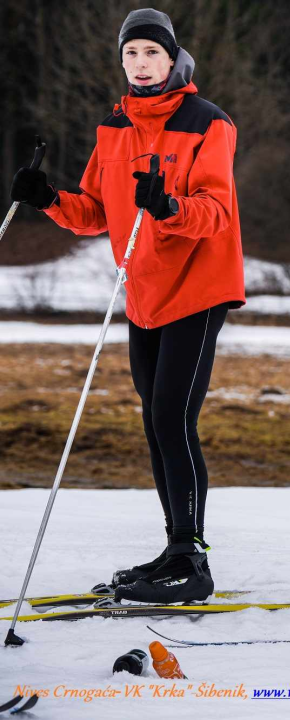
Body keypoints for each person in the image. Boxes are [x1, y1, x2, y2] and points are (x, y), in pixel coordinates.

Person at [9, 8, 244, 604]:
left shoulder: (207, 124)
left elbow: (216, 213)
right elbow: (93, 211)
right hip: (142, 292)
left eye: (152, 55)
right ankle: (173, 549)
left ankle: (193, 562)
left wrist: (168, 207)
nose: (140, 65)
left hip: (197, 285)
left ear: (173, 60)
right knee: (152, 420)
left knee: (172, 417)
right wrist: (48, 198)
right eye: (131, 55)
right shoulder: (113, 127)